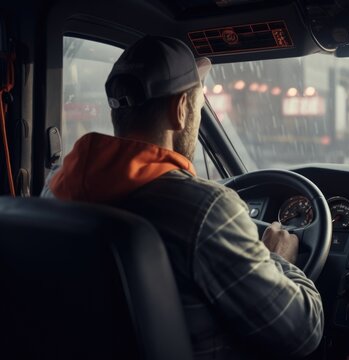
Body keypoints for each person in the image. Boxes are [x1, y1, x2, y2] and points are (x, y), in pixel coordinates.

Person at [42, 36, 323, 359]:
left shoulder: (54, 186)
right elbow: (303, 332)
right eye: (200, 105)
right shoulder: (206, 211)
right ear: (181, 110)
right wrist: (278, 260)